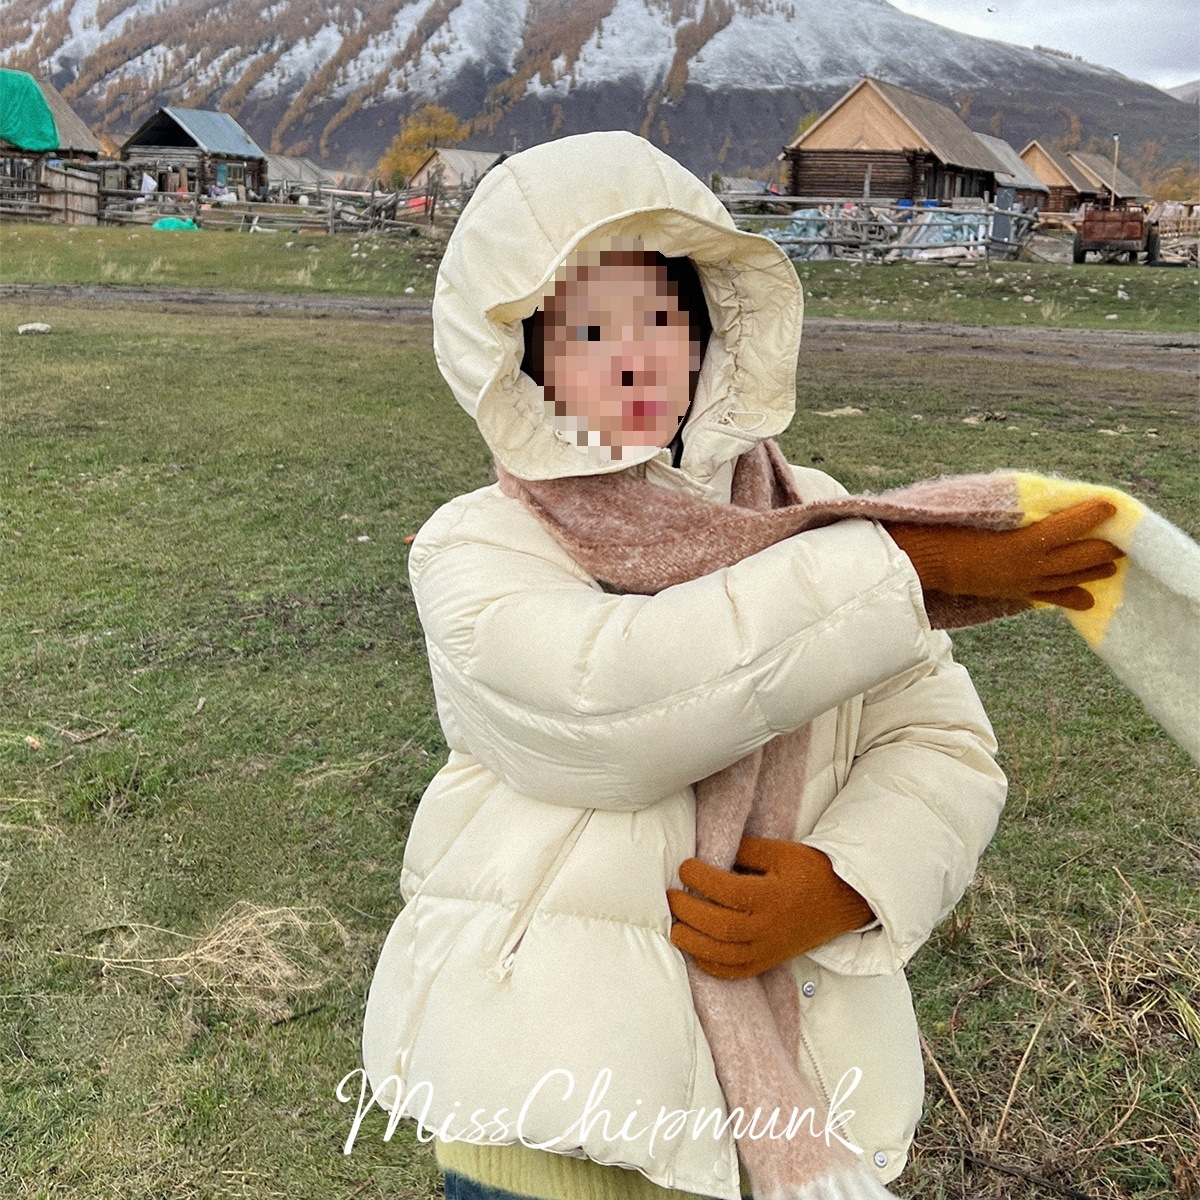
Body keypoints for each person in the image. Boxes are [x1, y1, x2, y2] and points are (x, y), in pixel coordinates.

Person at [360, 131, 1118, 1200]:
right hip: (544, 1100)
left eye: (657, 320)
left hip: (785, 1088)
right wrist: (896, 566)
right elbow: (610, 710)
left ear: (710, 335)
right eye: (584, 331)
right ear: (523, 359)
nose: (632, 360)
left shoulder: (816, 514)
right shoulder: (480, 544)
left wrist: (851, 880)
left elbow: (938, 737)